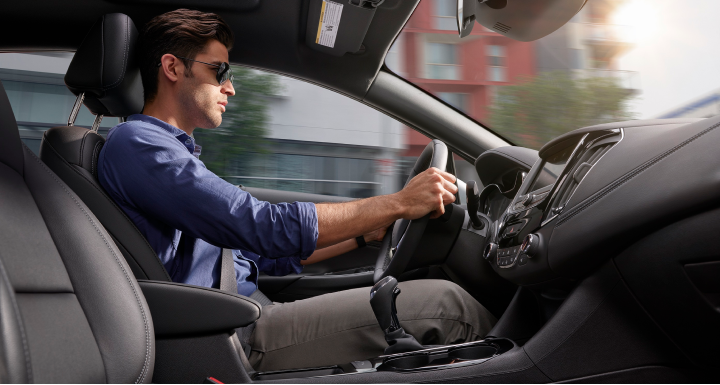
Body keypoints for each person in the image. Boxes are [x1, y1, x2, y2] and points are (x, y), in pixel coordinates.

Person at [98, 8, 496, 372]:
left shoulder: (166, 151)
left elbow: (256, 253)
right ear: (172, 67)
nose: (230, 88)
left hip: (242, 313)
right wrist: (398, 203)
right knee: (450, 307)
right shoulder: (139, 145)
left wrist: (364, 231)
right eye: (220, 71)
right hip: (232, 334)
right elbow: (260, 225)